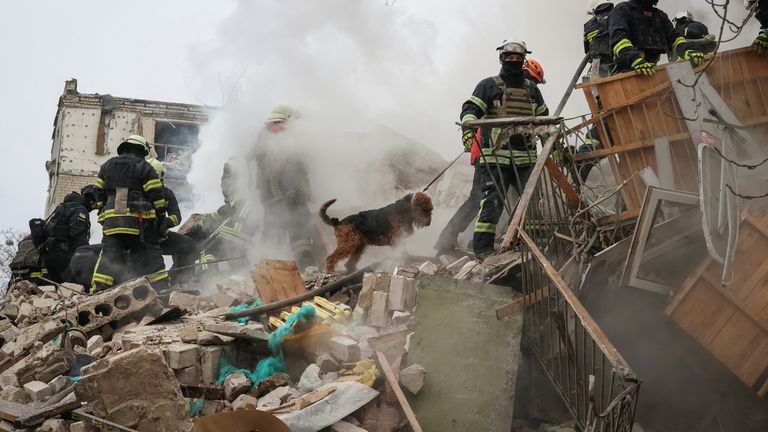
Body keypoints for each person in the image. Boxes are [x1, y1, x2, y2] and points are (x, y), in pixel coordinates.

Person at [433, 57, 547, 256]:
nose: (531, 84)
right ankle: (449, 238)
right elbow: (473, 112)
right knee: (481, 198)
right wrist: (469, 135)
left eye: (534, 82)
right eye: (532, 79)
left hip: (513, 156)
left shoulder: (529, 92)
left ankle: (502, 237)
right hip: (489, 153)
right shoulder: (494, 88)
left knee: (504, 199)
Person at [461, 39, 549, 261]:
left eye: (517, 57)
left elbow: (545, 121)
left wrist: (554, 146)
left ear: (523, 60)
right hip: (495, 158)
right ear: (501, 58)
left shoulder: (532, 91)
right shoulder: (488, 85)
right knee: (492, 205)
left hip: (526, 159)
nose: (513, 60)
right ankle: (482, 249)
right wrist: (468, 130)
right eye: (509, 56)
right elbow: (470, 109)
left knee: (532, 204)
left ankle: (528, 246)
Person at [90, 135, 168, 293]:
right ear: (141, 150)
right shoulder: (144, 166)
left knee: (109, 256)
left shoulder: (107, 165)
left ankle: (99, 290)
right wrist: (160, 218)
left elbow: (98, 192)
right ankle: (161, 290)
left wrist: (104, 209)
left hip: (112, 222)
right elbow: (156, 195)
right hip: (138, 222)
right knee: (149, 252)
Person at [248, 105, 315, 271]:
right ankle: (307, 273)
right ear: (282, 120)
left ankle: (265, 270)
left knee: (276, 236)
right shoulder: (275, 134)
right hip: (283, 199)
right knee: (295, 236)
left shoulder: (268, 136)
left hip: (282, 198)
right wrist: (288, 194)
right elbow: (277, 170)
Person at [609, 0, 705, 76]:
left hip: (652, 70)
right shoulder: (623, 10)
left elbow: (674, 38)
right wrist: (635, 60)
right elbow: (618, 39)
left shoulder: (659, 15)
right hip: (627, 72)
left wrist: (687, 51)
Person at [147, 158, 202, 284]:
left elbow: (176, 217)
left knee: (189, 246)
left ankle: (181, 280)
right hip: (141, 240)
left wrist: (164, 223)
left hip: (161, 237)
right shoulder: (137, 192)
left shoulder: (166, 193)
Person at [39, 185, 98, 283]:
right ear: (91, 200)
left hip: (49, 253)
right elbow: (77, 235)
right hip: (63, 255)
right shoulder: (80, 210)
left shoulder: (64, 206)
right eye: (95, 205)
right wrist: (86, 252)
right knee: (75, 284)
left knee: (57, 287)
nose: (95, 208)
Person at [584, 0, 616, 78]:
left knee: (599, 88)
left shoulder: (587, 25)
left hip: (599, 64)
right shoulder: (618, 16)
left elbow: (586, 49)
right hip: (620, 60)